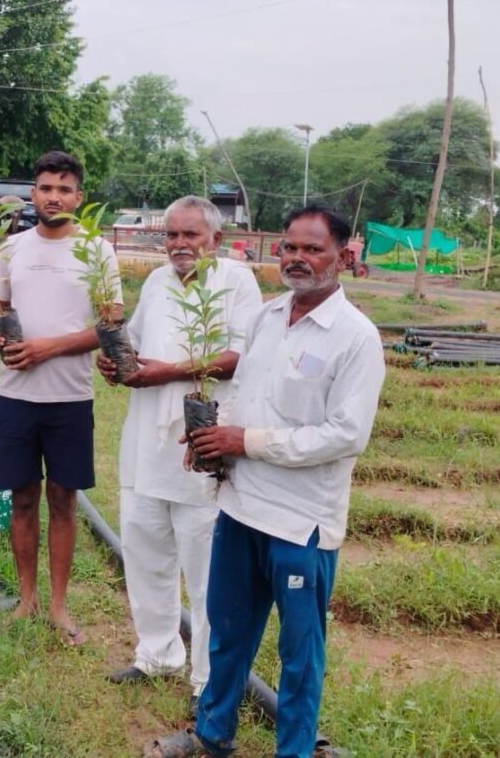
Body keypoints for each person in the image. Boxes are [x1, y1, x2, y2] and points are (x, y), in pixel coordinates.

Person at [145, 205, 386, 758]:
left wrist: (244, 441)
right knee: (228, 634)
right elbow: (244, 394)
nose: (298, 259)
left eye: (313, 249)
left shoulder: (355, 337)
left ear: (343, 257)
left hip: (301, 522)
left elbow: (345, 435)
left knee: (299, 651)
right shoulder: (268, 316)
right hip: (241, 505)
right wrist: (212, 439)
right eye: (290, 248)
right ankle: (212, 735)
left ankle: (295, 750)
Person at [99, 197, 261, 715]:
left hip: (201, 447)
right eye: (171, 235)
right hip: (146, 444)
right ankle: (157, 654)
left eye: (190, 236)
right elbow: (142, 349)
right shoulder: (157, 282)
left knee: (207, 568)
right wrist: (119, 366)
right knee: (146, 555)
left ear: (214, 239)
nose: (178, 245)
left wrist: (165, 372)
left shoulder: (236, 282)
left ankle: (207, 679)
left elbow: (239, 356)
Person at [0, 150, 120, 647]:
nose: (53, 196)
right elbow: (0, 311)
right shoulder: (12, 249)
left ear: (78, 197)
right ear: (33, 194)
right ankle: (27, 599)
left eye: (64, 189)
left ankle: (59, 606)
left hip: (69, 399)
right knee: (21, 499)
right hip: (15, 396)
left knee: (63, 500)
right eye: (45, 187)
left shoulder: (95, 250)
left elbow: (110, 326)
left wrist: (47, 348)